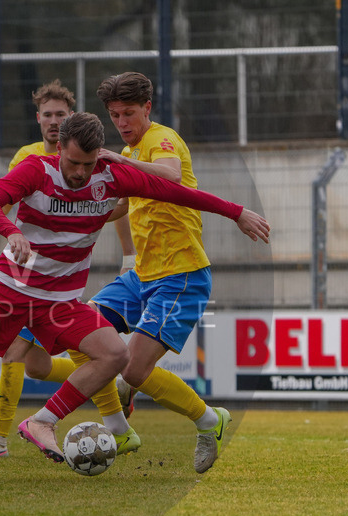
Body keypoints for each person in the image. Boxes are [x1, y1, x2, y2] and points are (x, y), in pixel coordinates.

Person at [0, 112, 269, 481]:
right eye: (74, 162)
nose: (81, 173)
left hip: (60, 304)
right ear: (59, 148)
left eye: (88, 163)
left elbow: (177, 193)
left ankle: (45, 421)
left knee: (115, 354)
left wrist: (236, 213)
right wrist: (11, 232)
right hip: (8, 293)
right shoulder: (36, 170)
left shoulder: (111, 176)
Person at [0, 80, 136, 459]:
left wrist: (126, 254)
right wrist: (13, 245)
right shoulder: (27, 159)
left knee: (19, 355)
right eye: (48, 114)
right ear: (38, 119)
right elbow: (6, 206)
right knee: (39, 367)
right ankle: (117, 411)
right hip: (23, 276)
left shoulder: (95, 161)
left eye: (61, 114)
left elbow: (115, 206)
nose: (54, 120)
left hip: (61, 283)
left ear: (71, 120)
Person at [93, 71, 239, 473]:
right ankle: (119, 425)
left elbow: (172, 176)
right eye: (114, 115)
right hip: (142, 274)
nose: (121, 123)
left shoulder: (160, 140)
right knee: (83, 328)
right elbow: (127, 204)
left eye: (128, 113)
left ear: (147, 109)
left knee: (135, 368)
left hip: (181, 275)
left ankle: (212, 421)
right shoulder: (134, 150)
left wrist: (118, 160)